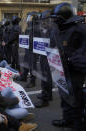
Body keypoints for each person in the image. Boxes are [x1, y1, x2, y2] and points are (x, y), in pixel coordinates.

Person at [50, 3, 86, 131]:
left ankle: (77, 125)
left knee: (76, 98)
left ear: (64, 17)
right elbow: (53, 47)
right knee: (64, 95)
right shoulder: (57, 29)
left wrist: (73, 59)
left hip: (76, 71)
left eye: (56, 18)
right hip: (61, 70)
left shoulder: (81, 29)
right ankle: (67, 119)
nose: (54, 21)